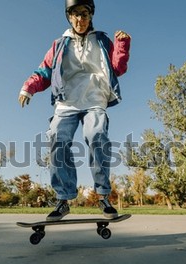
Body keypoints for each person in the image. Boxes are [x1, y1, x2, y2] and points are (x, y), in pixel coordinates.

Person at [18, 0, 131, 221]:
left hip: (95, 98)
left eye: (85, 14)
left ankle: (102, 195)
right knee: (57, 139)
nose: (80, 19)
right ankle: (63, 198)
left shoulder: (102, 40)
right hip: (67, 101)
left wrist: (122, 46)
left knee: (96, 136)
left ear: (91, 16)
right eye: (76, 15)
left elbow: (117, 68)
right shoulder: (59, 44)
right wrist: (28, 87)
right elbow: (44, 70)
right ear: (69, 17)